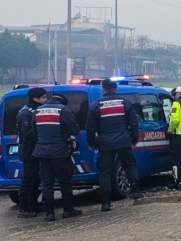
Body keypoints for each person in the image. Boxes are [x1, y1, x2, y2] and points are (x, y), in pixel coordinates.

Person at [85, 78, 143, 211]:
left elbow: (90, 127)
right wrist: (134, 140)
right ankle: (136, 191)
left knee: (105, 172)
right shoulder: (125, 103)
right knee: (129, 165)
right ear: (116, 89)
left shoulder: (96, 105)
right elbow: (133, 123)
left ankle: (105, 202)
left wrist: (91, 142)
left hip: (105, 143)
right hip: (123, 141)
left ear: (103, 89)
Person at [32, 93, 82, 222]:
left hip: (42, 152)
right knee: (65, 182)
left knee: (47, 184)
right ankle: (68, 210)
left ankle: (49, 214)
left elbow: (34, 131)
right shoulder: (64, 110)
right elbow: (74, 130)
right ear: (62, 102)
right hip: (60, 153)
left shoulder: (37, 111)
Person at [16, 87, 47, 218]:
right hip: (29, 151)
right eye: (43, 98)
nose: (45, 100)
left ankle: (33, 204)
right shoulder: (25, 114)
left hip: (36, 150)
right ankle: (23, 207)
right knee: (28, 179)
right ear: (35, 99)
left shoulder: (35, 111)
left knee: (36, 179)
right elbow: (28, 135)